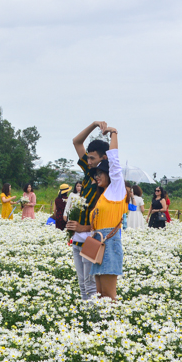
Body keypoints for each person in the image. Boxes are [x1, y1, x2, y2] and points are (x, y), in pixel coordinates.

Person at [66, 121, 110, 301]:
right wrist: (93, 125)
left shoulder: (107, 185)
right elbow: (76, 142)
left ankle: (92, 318)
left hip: (92, 237)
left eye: (93, 158)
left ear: (104, 158)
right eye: (88, 157)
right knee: (82, 283)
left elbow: (106, 216)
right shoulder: (88, 173)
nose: (88, 161)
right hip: (78, 238)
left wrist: (84, 227)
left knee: (90, 283)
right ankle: (86, 317)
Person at [87, 127, 126, 300]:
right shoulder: (102, 195)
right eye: (96, 174)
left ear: (109, 174)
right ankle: (102, 325)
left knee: (109, 296)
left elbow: (115, 162)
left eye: (100, 173)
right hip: (97, 242)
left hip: (109, 242)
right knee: (100, 294)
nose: (97, 177)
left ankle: (113, 325)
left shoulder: (116, 189)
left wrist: (114, 134)